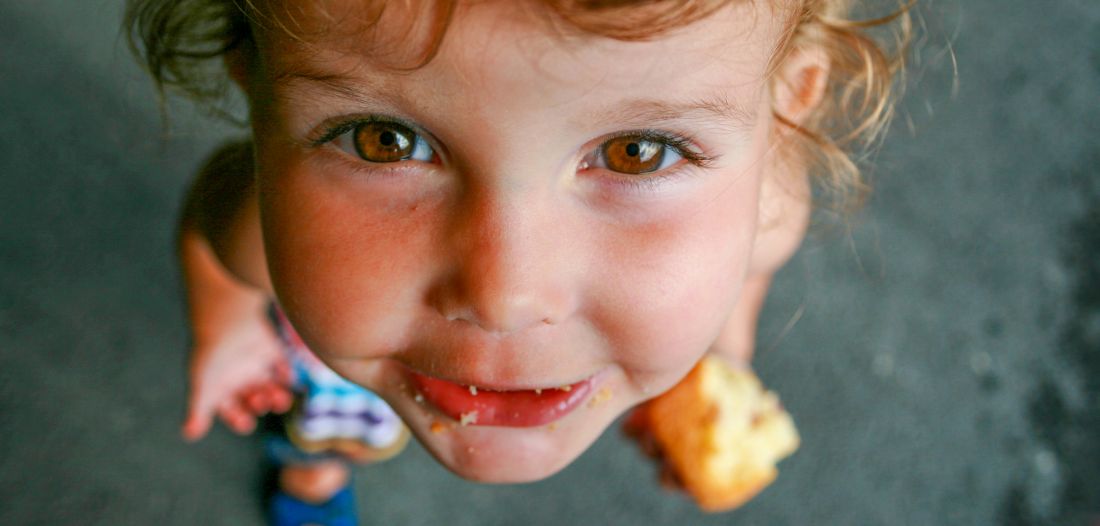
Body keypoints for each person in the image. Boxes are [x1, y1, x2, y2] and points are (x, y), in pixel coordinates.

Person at [125, 0, 909, 523]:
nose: (504, 297)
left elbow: (748, 275)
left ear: (783, 109)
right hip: (331, 373)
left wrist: (721, 358)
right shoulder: (260, 237)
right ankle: (318, 472)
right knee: (330, 422)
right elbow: (214, 241)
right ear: (250, 72)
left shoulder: (770, 215)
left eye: (639, 153)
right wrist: (228, 329)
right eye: (383, 140)